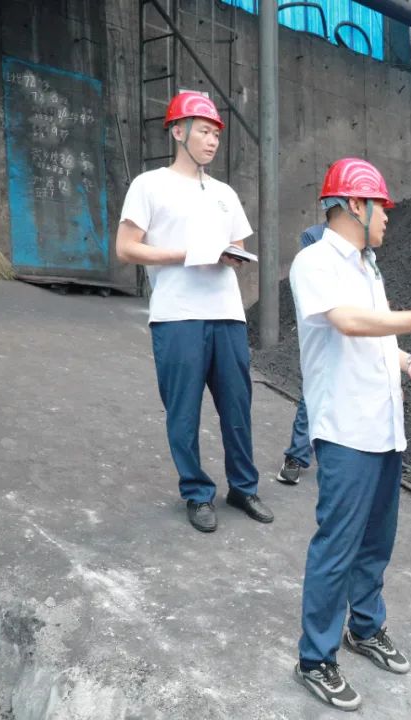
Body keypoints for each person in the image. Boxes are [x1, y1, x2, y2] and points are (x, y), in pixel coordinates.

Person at [289, 157, 411, 711]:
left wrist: (409, 362)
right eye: (381, 207)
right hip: (345, 429)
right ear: (353, 206)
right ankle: (315, 659)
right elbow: (349, 323)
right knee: (337, 545)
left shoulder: (368, 267)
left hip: (383, 429)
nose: (388, 217)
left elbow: (376, 337)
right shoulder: (315, 261)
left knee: (376, 542)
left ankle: (364, 627)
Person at [115, 91, 273, 534]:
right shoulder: (149, 185)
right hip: (177, 315)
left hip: (227, 314)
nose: (212, 141)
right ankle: (197, 492)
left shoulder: (225, 194)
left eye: (216, 134)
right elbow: (126, 248)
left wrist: (229, 255)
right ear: (177, 132)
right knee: (183, 413)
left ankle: (243, 487)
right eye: (204, 131)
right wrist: (189, 254)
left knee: (237, 408)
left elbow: (238, 245)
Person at [277, 222, 326, 485]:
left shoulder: (365, 246)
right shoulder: (313, 236)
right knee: (315, 389)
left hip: (358, 328)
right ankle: (296, 456)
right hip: (324, 327)